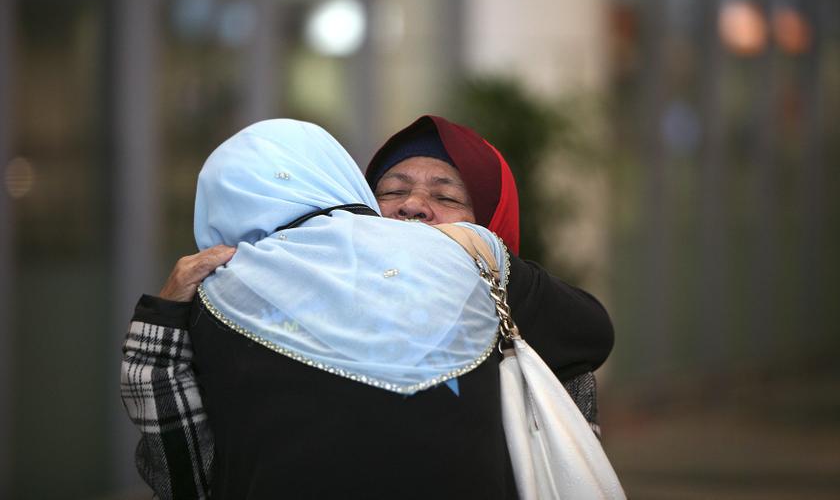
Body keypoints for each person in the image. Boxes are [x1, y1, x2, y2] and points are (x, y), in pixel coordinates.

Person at [122, 116, 614, 499]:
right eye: (393, 191)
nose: (413, 207)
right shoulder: (256, 307)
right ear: (353, 198)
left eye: (446, 196)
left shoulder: (494, 286)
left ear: (490, 225)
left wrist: (479, 254)